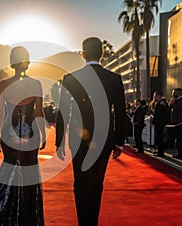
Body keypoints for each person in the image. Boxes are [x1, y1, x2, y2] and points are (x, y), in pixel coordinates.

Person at [55, 37, 126, 226]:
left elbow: (63, 111)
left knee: (80, 182)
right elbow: (121, 112)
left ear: (83, 54)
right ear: (102, 54)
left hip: (79, 137)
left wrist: (59, 140)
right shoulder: (114, 79)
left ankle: (83, 222)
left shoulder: (71, 78)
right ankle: (92, 221)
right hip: (105, 138)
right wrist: (120, 141)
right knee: (97, 182)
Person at [0, 46, 46, 225]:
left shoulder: (3, 84)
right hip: (30, 134)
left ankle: (2, 214)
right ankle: (27, 218)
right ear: (27, 62)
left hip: (9, 132)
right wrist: (44, 135)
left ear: (12, 62)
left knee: (8, 171)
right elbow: (39, 113)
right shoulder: (36, 84)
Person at [152, 92, 169, 157]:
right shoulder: (159, 103)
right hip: (158, 123)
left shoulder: (162, 103)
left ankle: (161, 152)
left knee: (160, 138)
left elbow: (160, 115)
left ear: (159, 96)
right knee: (158, 138)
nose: (154, 97)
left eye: (155, 96)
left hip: (160, 123)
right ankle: (159, 151)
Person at [170, 88, 182, 159]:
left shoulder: (181, 100)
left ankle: (181, 154)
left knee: (180, 140)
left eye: (174, 93)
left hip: (180, 123)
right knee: (177, 139)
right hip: (175, 122)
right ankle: (179, 152)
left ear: (179, 93)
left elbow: (180, 109)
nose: (173, 94)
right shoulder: (176, 100)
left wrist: (174, 103)